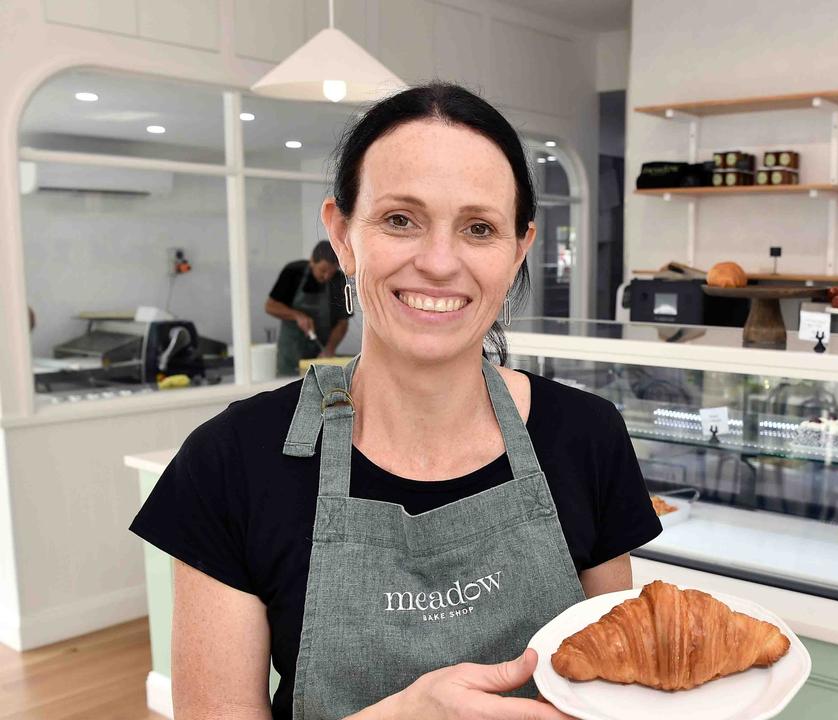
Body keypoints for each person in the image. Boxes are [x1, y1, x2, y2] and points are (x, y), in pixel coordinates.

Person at [130, 83, 662, 720]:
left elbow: (620, 692)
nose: (439, 262)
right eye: (400, 220)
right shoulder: (231, 461)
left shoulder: (587, 436)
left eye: (479, 228)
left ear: (519, 247)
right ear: (343, 235)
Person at [266, 241, 353, 375]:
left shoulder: (340, 281)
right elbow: (270, 306)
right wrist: (297, 315)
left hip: (321, 355)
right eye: (323, 270)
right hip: (290, 355)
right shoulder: (293, 272)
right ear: (312, 261)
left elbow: (343, 323)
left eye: (331, 272)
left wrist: (329, 349)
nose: (326, 276)